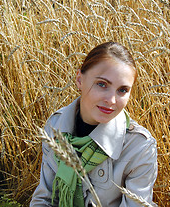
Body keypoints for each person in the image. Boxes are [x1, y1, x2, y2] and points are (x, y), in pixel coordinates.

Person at [30, 42, 158, 207]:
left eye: (122, 90)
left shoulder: (139, 147)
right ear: (79, 80)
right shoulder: (56, 126)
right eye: (102, 84)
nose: (111, 100)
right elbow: (45, 198)